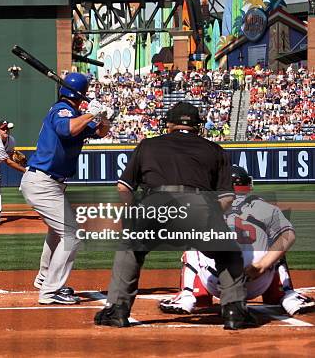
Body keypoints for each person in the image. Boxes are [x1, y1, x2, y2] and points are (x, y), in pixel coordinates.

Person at [95, 102, 255, 330]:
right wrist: (211, 219)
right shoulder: (214, 149)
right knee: (228, 253)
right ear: (198, 127)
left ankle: (117, 310)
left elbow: (123, 188)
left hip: (154, 205)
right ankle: (234, 312)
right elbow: (227, 198)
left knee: (130, 250)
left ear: (169, 124)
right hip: (198, 207)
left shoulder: (147, 145)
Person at [159, 165, 315, 316]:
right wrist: (261, 266)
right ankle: (288, 295)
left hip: (216, 282)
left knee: (192, 241)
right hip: (258, 281)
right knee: (276, 244)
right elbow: (289, 235)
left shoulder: (207, 207)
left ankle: (188, 295)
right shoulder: (265, 207)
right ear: (247, 185)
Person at [20, 72, 110, 305]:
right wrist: (92, 113)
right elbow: (66, 130)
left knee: (57, 232)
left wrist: (105, 118)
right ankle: (50, 291)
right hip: (43, 182)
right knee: (72, 235)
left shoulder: (74, 114)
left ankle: (43, 279)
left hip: (49, 184)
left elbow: (99, 132)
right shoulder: (62, 110)